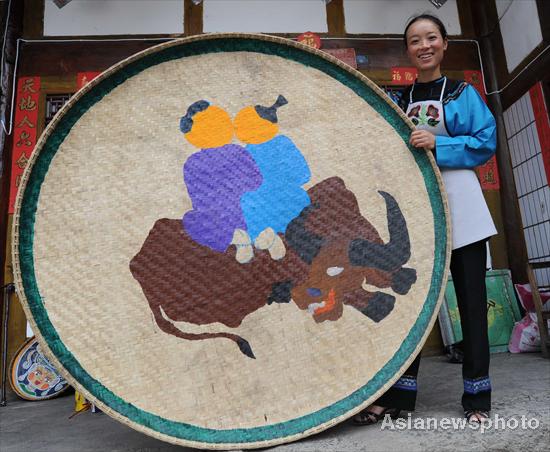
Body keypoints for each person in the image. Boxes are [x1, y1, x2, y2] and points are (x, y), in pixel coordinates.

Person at [353, 13, 497, 425]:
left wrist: (439, 143)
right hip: (420, 209)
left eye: (431, 37)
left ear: (445, 43)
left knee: (470, 305)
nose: (424, 46)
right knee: (412, 305)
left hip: (463, 205)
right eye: (415, 40)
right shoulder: (399, 100)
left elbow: (485, 141)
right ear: (409, 50)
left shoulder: (462, 94)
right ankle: (398, 397)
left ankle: (477, 401)